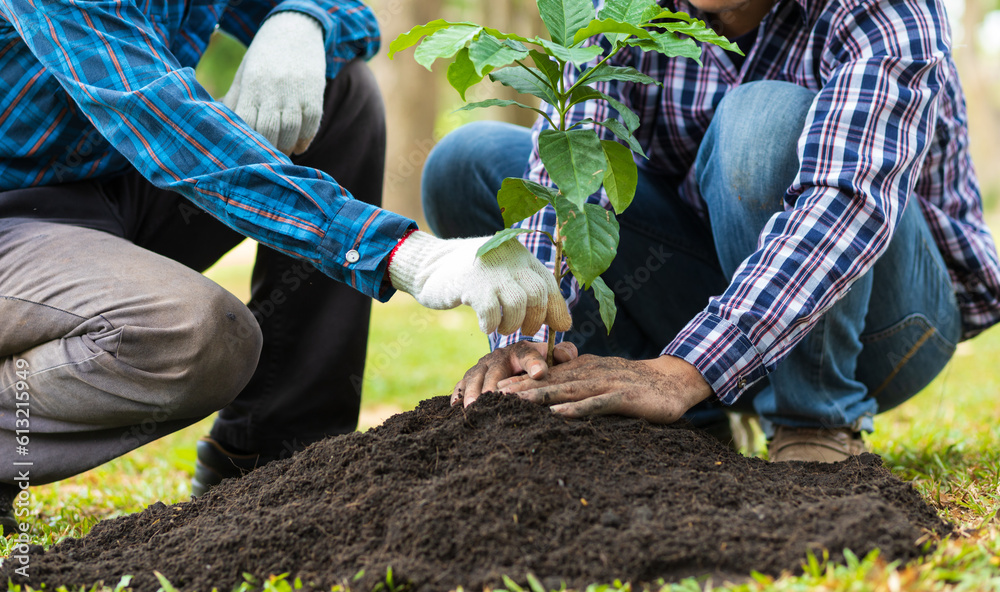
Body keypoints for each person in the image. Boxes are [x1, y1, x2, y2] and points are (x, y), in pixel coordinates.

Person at [0, 0, 572, 536]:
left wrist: (303, 18)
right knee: (193, 334)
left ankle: (273, 461)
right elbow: (165, 124)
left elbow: (353, 16)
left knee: (338, 92)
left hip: (115, 183)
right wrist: (405, 254)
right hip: (20, 209)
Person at [423, 0, 1000, 462]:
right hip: (707, 291)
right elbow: (575, 182)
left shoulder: (880, 9)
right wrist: (525, 342)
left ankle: (813, 417)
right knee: (467, 163)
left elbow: (844, 203)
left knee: (761, 121)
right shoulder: (616, 11)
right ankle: (672, 421)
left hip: (885, 324)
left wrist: (686, 371)